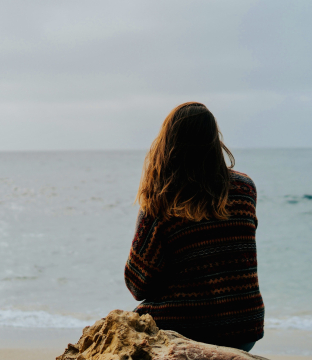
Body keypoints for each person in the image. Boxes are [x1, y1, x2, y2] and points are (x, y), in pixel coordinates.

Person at [124, 102, 264, 352]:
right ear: (214, 139)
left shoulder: (162, 198)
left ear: (168, 144)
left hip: (189, 329)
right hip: (244, 326)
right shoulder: (246, 188)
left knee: (126, 328)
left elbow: (138, 284)